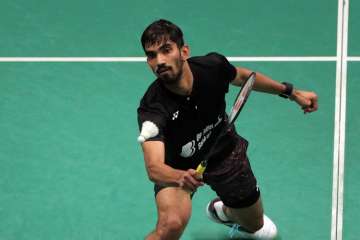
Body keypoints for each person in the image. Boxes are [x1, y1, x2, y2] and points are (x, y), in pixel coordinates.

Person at [137, 19, 318, 240]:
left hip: (223, 149)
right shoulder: (153, 107)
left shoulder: (211, 67)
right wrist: (179, 176)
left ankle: (224, 211)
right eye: (152, 55)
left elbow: (244, 78)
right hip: (179, 168)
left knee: (257, 226)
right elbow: (154, 168)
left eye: (166, 50)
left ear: (184, 51)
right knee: (170, 225)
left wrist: (291, 92)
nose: (160, 61)